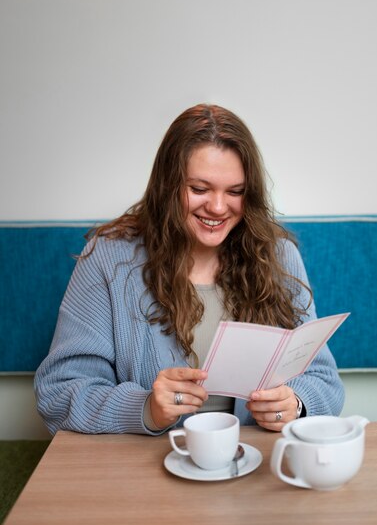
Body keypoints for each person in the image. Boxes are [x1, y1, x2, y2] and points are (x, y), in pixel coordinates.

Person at [34, 104, 344, 435]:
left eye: (235, 192)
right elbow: (57, 391)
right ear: (167, 185)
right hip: (146, 469)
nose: (218, 207)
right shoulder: (109, 258)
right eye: (199, 189)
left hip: (252, 464)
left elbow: (325, 382)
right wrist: (145, 408)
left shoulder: (278, 256)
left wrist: (295, 405)